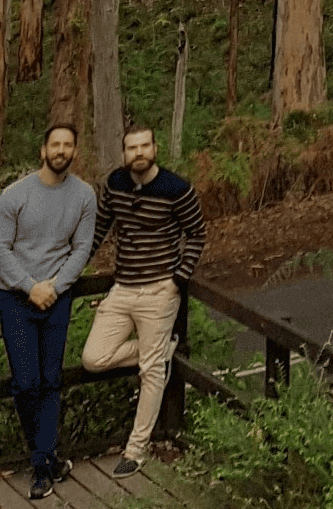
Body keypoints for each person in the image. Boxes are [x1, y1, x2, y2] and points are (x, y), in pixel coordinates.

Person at [81, 124, 207, 477]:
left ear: (155, 148)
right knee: (94, 358)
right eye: (131, 148)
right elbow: (101, 227)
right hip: (123, 288)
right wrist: (71, 267)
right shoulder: (115, 184)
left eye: (144, 146)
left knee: (150, 372)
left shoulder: (176, 188)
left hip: (158, 292)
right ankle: (162, 349)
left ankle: (135, 450)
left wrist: (177, 280)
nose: (138, 153)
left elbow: (197, 234)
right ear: (124, 152)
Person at [0, 124, 98, 501]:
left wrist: (54, 286)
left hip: (57, 298)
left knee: (50, 381)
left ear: (74, 152)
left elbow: (82, 248)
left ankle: (41, 467)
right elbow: (0, 250)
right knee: (26, 382)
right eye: (56, 144)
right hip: (16, 299)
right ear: (43, 151)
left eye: (69, 145)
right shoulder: (14, 195)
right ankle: (48, 460)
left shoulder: (85, 196)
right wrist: (30, 286)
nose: (62, 150)